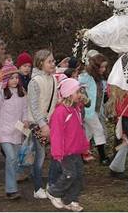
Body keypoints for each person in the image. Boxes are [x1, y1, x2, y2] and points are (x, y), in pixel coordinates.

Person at [46, 78, 89, 212]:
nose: (80, 94)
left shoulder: (75, 109)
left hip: (76, 150)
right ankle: (53, 192)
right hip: (65, 151)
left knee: (78, 176)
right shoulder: (60, 112)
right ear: (69, 94)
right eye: (77, 91)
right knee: (69, 174)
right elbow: (56, 134)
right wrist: (57, 152)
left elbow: (79, 129)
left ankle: (71, 200)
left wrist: (84, 146)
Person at [0, 64, 28, 199]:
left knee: (15, 159)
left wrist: (25, 121)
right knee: (10, 157)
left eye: (17, 77)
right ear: (5, 80)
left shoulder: (21, 93)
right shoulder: (0, 95)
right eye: (12, 78)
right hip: (4, 132)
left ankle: (13, 182)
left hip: (17, 132)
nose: (15, 80)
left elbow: (24, 110)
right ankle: (11, 189)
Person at [27, 49, 58, 199]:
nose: (53, 64)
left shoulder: (53, 79)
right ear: (40, 63)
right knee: (40, 156)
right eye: (49, 61)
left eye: (53, 61)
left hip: (50, 123)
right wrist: (42, 124)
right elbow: (34, 106)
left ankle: (51, 184)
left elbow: (54, 101)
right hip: (38, 124)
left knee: (55, 153)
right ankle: (37, 188)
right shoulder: (34, 82)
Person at [78, 51, 110, 165]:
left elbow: (104, 93)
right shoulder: (85, 77)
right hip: (87, 110)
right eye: (101, 67)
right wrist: (82, 94)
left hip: (96, 110)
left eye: (105, 67)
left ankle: (81, 154)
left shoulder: (101, 79)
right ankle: (103, 157)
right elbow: (76, 85)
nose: (103, 69)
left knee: (89, 132)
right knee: (98, 130)